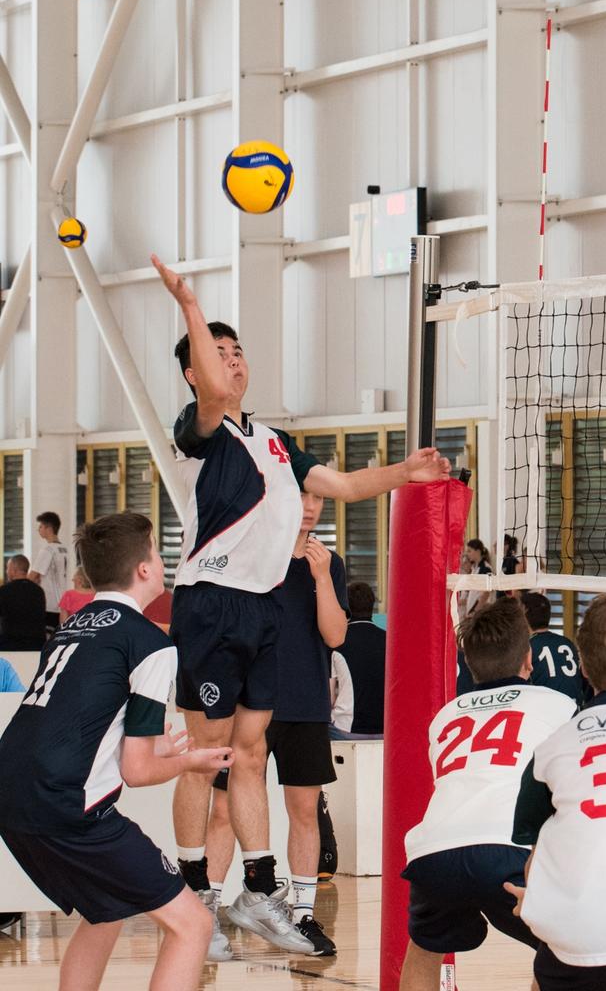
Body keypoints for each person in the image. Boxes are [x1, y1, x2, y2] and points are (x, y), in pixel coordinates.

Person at [151, 254, 451, 954]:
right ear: (196, 372)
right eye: (218, 354)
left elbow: (343, 486)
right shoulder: (200, 432)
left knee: (249, 755)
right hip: (211, 603)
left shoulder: (279, 443)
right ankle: (195, 893)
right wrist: (189, 306)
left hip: (261, 611)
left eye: (239, 351)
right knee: (209, 754)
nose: (233, 361)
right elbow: (210, 390)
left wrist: (406, 473)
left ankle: (258, 890)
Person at [0, 512, 235, 991]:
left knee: (105, 910)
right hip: (65, 806)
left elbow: (78, 724)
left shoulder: (72, 627)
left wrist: (157, 744)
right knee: (192, 924)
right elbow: (139, 771)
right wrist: (190, 761)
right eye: (156, 550)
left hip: (12, 795)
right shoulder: (151, 643)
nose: (161, 558)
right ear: (146, 568)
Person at [399, 597, 575, 991]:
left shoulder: (446, 715)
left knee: (424, 947)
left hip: (434, 851)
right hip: (505, 846)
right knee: (564, 948)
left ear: (468, 662)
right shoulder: (558, 705)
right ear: (527, 659)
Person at [205, 490, 348, 956]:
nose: (309, 506)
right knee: (225, 809)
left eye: (318, 499)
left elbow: (336, 635)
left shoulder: (329, 562)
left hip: (304, 703)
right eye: (301, 495)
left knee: (304, 810)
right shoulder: (250, 554)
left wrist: (322, 576)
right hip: (249, 705)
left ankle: (303, 915)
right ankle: (206, 912)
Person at [506, 587, 606, 991]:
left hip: (580, 927)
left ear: (582, 667)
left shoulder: (556, 745)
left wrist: (533, 901)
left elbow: (532, 844)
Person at [330, 581, 386, 739]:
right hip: (385, 728)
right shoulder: (390, 640)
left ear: (345, 606)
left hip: (347, 728)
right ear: (372, 606)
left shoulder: (337, 641)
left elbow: (329, 697)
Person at [521, 592, 583, 706]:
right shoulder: (567, 643)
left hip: (548, 713)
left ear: (524, 616)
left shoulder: (527, 648)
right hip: (573, 709)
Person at [27, 511, 68, 633]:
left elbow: (32, 576)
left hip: (49, 603)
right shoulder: (64, 549)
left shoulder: (48, 549)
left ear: (49, 528)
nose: (38, 530)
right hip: (62, 602)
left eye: (40, 526)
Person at [0, 554, 46, 650]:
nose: (7, 571)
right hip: (36, 643)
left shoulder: (4, 591)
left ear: (13, 570)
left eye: (7, 568)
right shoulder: (38, 591)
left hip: (10, 643)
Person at [464, 538, 493, 616]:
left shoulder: (486, 568)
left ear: (478, 551)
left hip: (479, 613)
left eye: (469, 551)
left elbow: (486, 593)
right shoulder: (474, 568)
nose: (467, 554)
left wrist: (475, 611)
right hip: (472, 612)